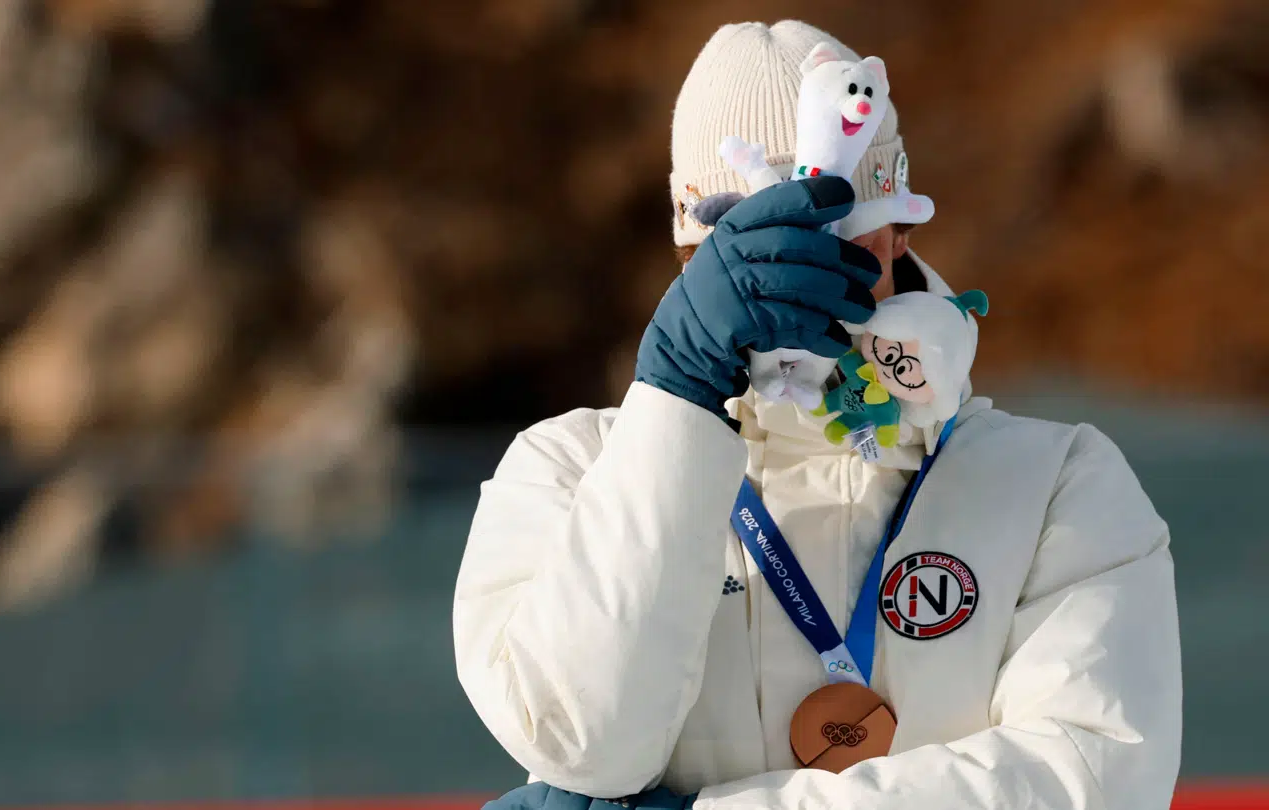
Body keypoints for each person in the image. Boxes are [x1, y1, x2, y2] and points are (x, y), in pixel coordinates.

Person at [453, 20, 1181, 810]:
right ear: (691, 260)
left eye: (832, 235)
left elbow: (1093, 778)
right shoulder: (568, 471)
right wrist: (677, 400)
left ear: (898, 230)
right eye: (755, 244)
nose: (796, 277)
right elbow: (585, 742)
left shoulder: (1057, 485)